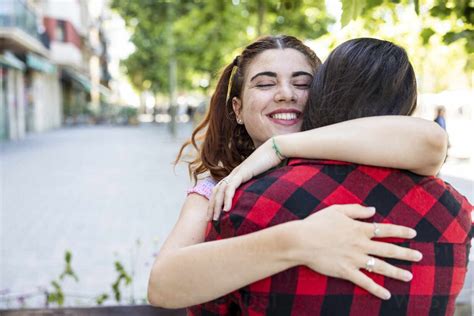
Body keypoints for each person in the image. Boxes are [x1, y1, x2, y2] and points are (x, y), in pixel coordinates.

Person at [147, 35, 448, 309]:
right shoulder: (218, 188)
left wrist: (278, 146)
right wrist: (298, 241)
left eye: (303, 84)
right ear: (237, 109)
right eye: (265, 84)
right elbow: (162, 285)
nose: (286, 94)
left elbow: (432, 141)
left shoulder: (355, 162)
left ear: (320, 95)